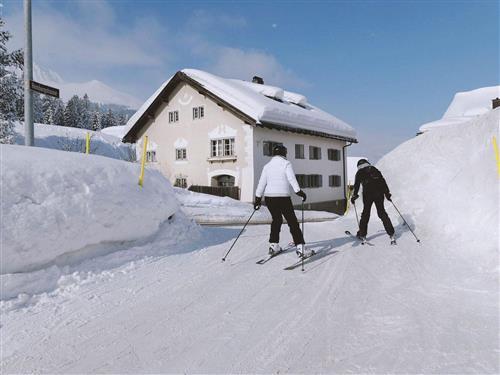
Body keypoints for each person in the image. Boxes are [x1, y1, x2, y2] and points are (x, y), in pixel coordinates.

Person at [254, 144, 308, 258]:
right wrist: (299, 192)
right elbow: (291, 179)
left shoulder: (267, 166)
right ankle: (301, 247)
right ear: (284, 153)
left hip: (269, 198)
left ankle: (273, 245)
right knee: (292, 221)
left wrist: (258, 199)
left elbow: (261, 183)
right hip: (283, 197)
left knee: (276, 220)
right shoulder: (286, 164)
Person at [351, 159, 395, 241]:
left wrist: (354, 195)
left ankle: (362, 234)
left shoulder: (359, 172)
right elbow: (383, 182)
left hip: (368, 195)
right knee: (382, 213)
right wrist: (387, 194)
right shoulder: (375, 169)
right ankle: (391, 232)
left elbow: (356, 185)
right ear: (367, 164)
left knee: (365, 214)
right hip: (379, 194)